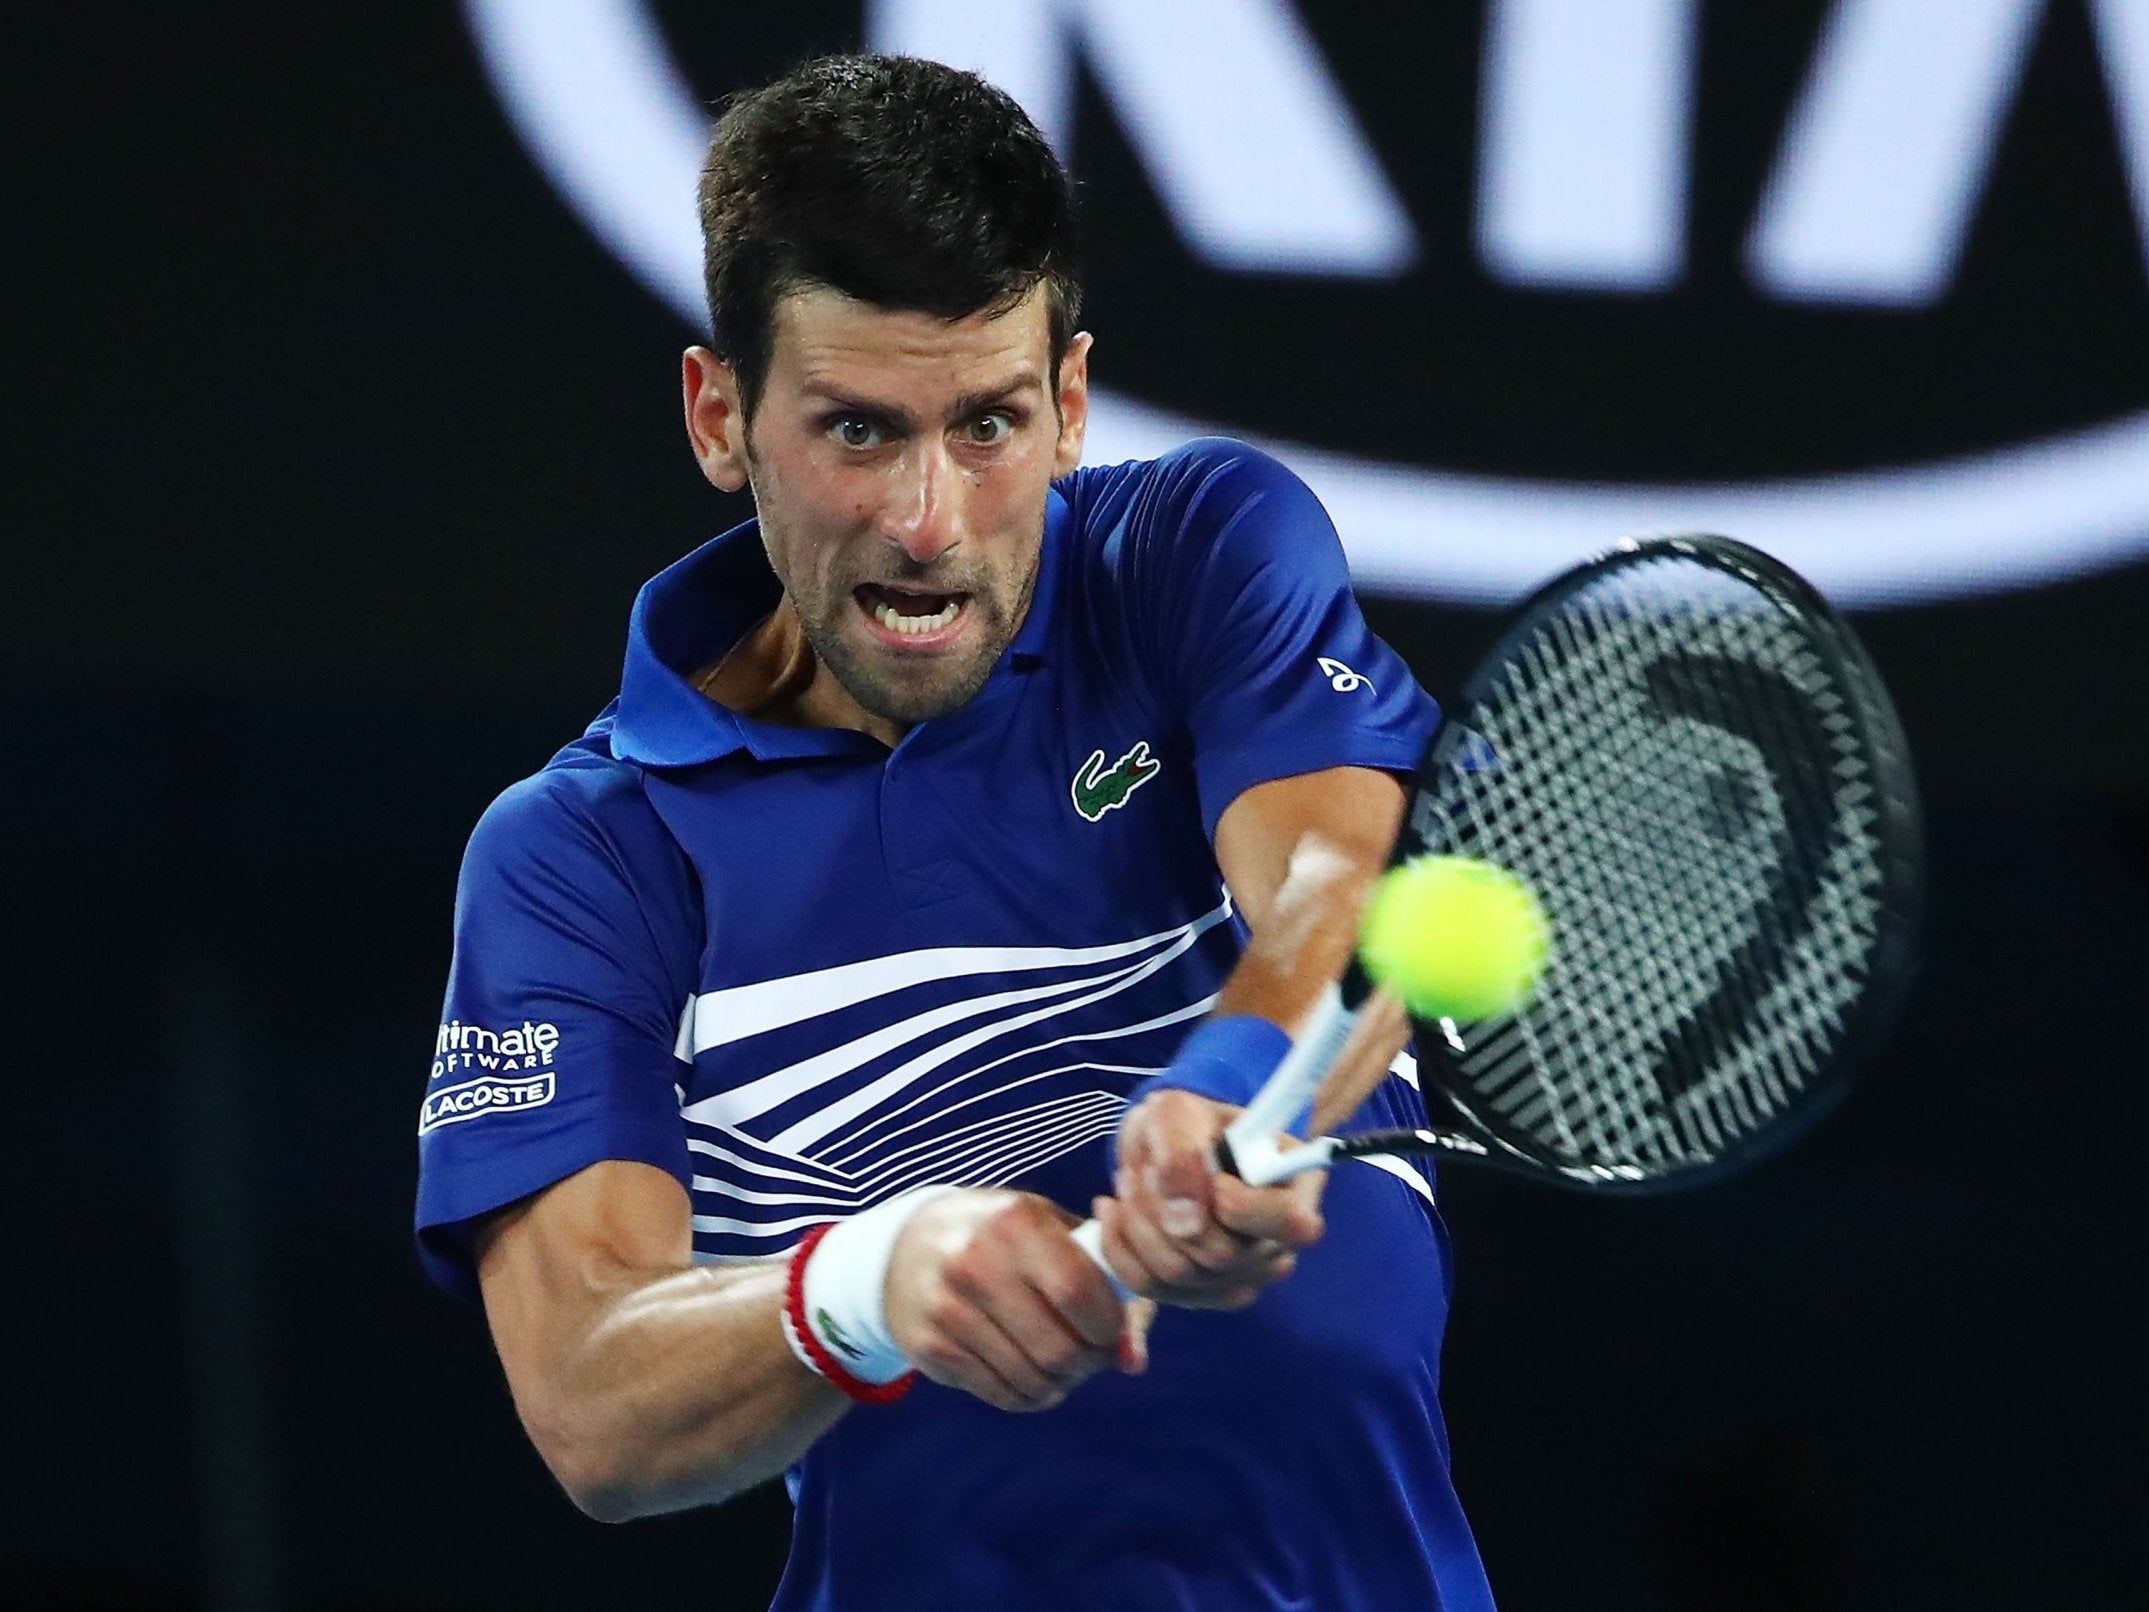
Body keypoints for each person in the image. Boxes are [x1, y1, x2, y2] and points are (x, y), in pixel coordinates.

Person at [416, 53, 1495, 1611]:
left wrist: (1217, 1095)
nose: (928, 521)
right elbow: (591, 1405)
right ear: (720, 417)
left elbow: (1332, 889)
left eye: (986, 425)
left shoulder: (1194, 557)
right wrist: (865, 1282)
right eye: (856, 432)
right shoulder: (582, 857)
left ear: (1068, 405)